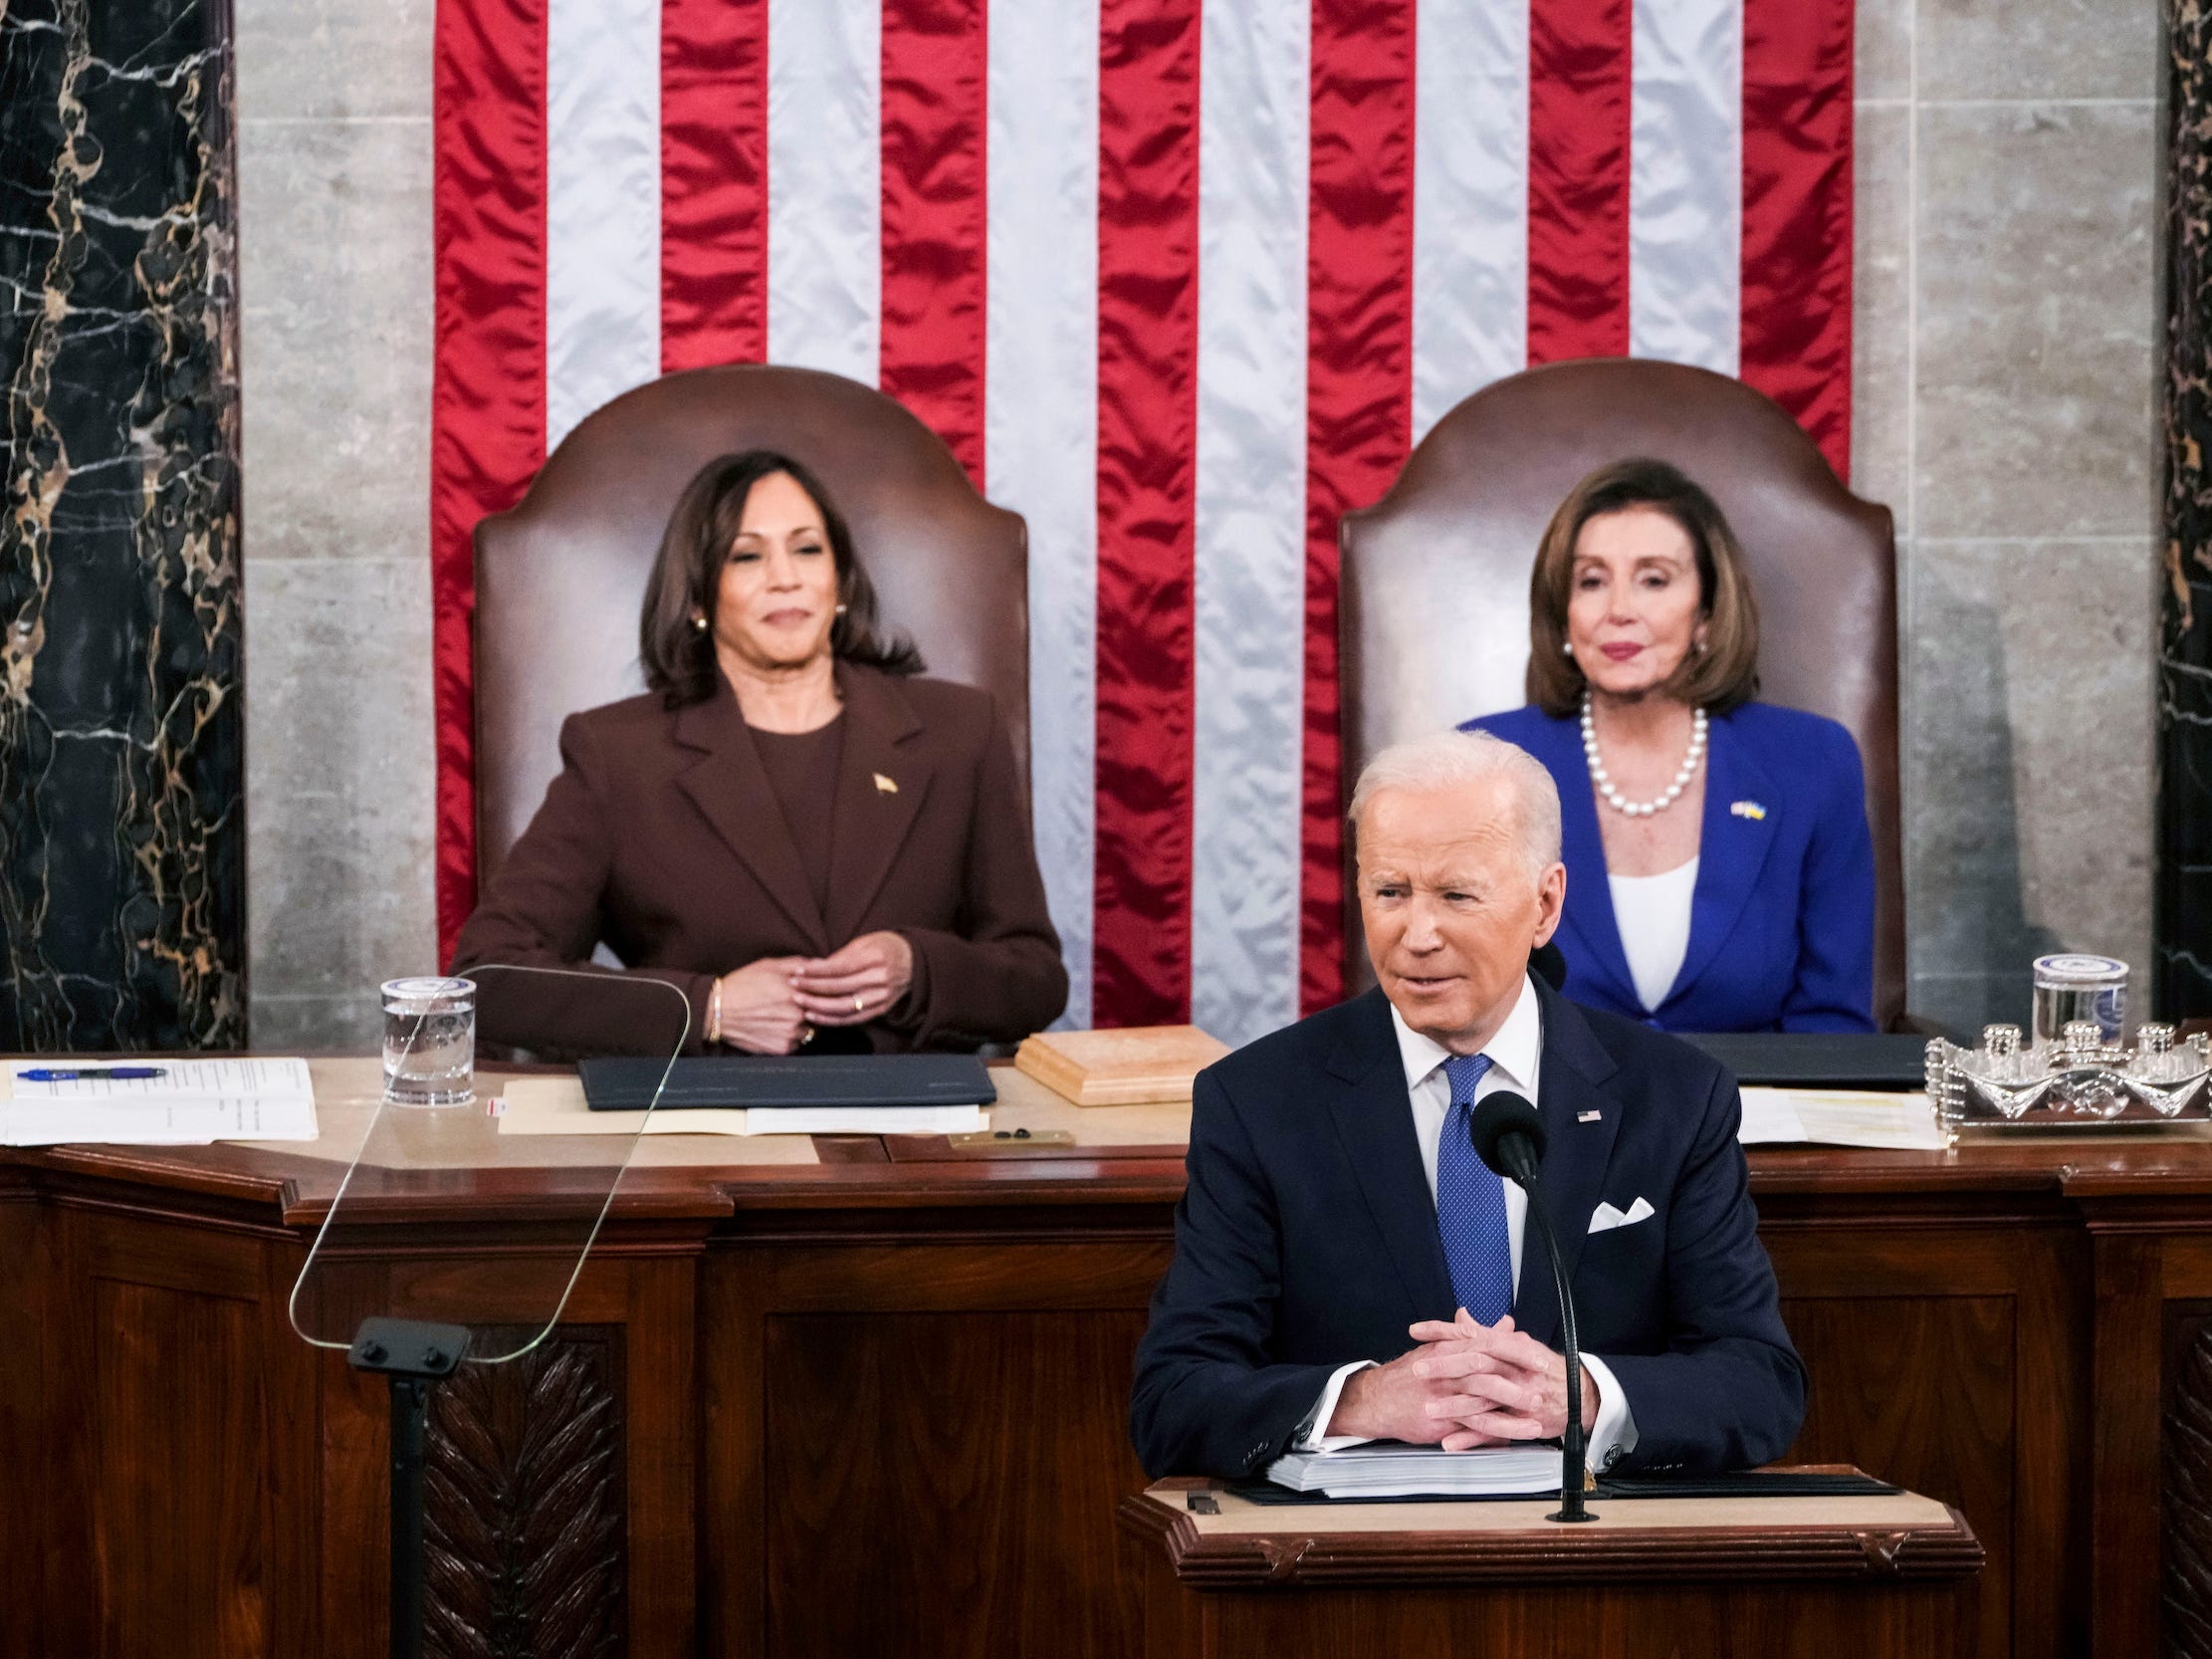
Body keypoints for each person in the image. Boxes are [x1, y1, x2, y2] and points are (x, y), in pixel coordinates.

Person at [1129, 729, 1804, 1482]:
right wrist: (1360, 1401)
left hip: (1601, 1556)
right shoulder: (1257, 1101)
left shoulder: (1674, 1097)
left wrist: (1580, 1396)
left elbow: (1758, 1382)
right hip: (1353, 1565)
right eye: (1390, 892)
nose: (1416, 935)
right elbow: (1174, 1397)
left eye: (1456, 895)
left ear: (1544, 904)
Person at [452, 449, 1069, 1057]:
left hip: (920, 1135)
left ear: (841, 580)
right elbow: (490, 980)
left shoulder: (959, 731)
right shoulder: (618, 755)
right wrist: (706, 1008)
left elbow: (1036, 979)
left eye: (807, 549)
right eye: (746, 556)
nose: (786, 577)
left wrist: (919, 971)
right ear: (697, 599)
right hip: (709, 1139)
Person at [1462, 458, 1877, 1033]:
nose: (1619, 610)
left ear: (1707, 614)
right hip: (1546, 1115)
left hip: (1753, 1116)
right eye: (1591, 581)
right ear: (1563, 617)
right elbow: (1453, 1004)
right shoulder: (1486, 765)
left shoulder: (1812, 763)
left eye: (1654, 579)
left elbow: (1834, 1027)